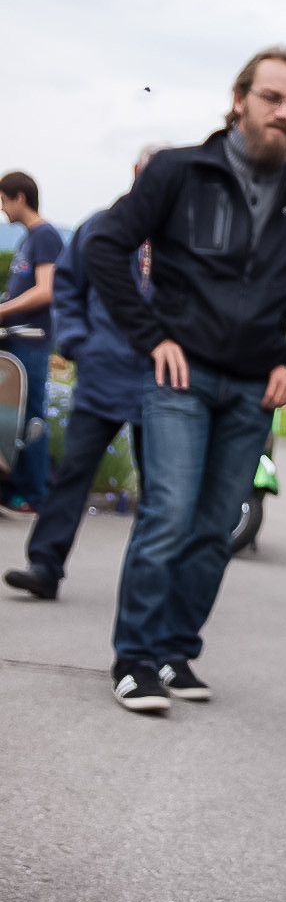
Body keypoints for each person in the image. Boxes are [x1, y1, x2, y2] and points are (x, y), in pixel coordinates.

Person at [83, 45, 286, 713]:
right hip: (181, 377)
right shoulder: (178, 172)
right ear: (238, 100)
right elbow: (106, 247)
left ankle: (175, 651)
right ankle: (135, 659)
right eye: (272, 98)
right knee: (169, 513)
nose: (284, 113)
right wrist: (151, 337)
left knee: (215, 526)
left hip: (255, 388)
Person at [3, 153, 159, 602]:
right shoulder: (100, 226)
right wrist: (76, 342)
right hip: (102, 372)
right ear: (136, 176)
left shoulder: (184, 234)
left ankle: (148, 588)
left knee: (160, 489)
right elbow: (67, 286)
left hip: (159, 380)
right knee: (73, 472)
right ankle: (44, 566)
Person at [0, 172, 63, 514]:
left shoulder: (45, 236)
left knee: (32, 418)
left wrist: (3, 310)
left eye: (3, 200)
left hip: (32, 341)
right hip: (15, 340)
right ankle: (13, 487)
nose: (2, 209)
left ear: (20, 197)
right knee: (14, 416)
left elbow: (46, 290)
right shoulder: (28, 239)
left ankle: (35, 494)